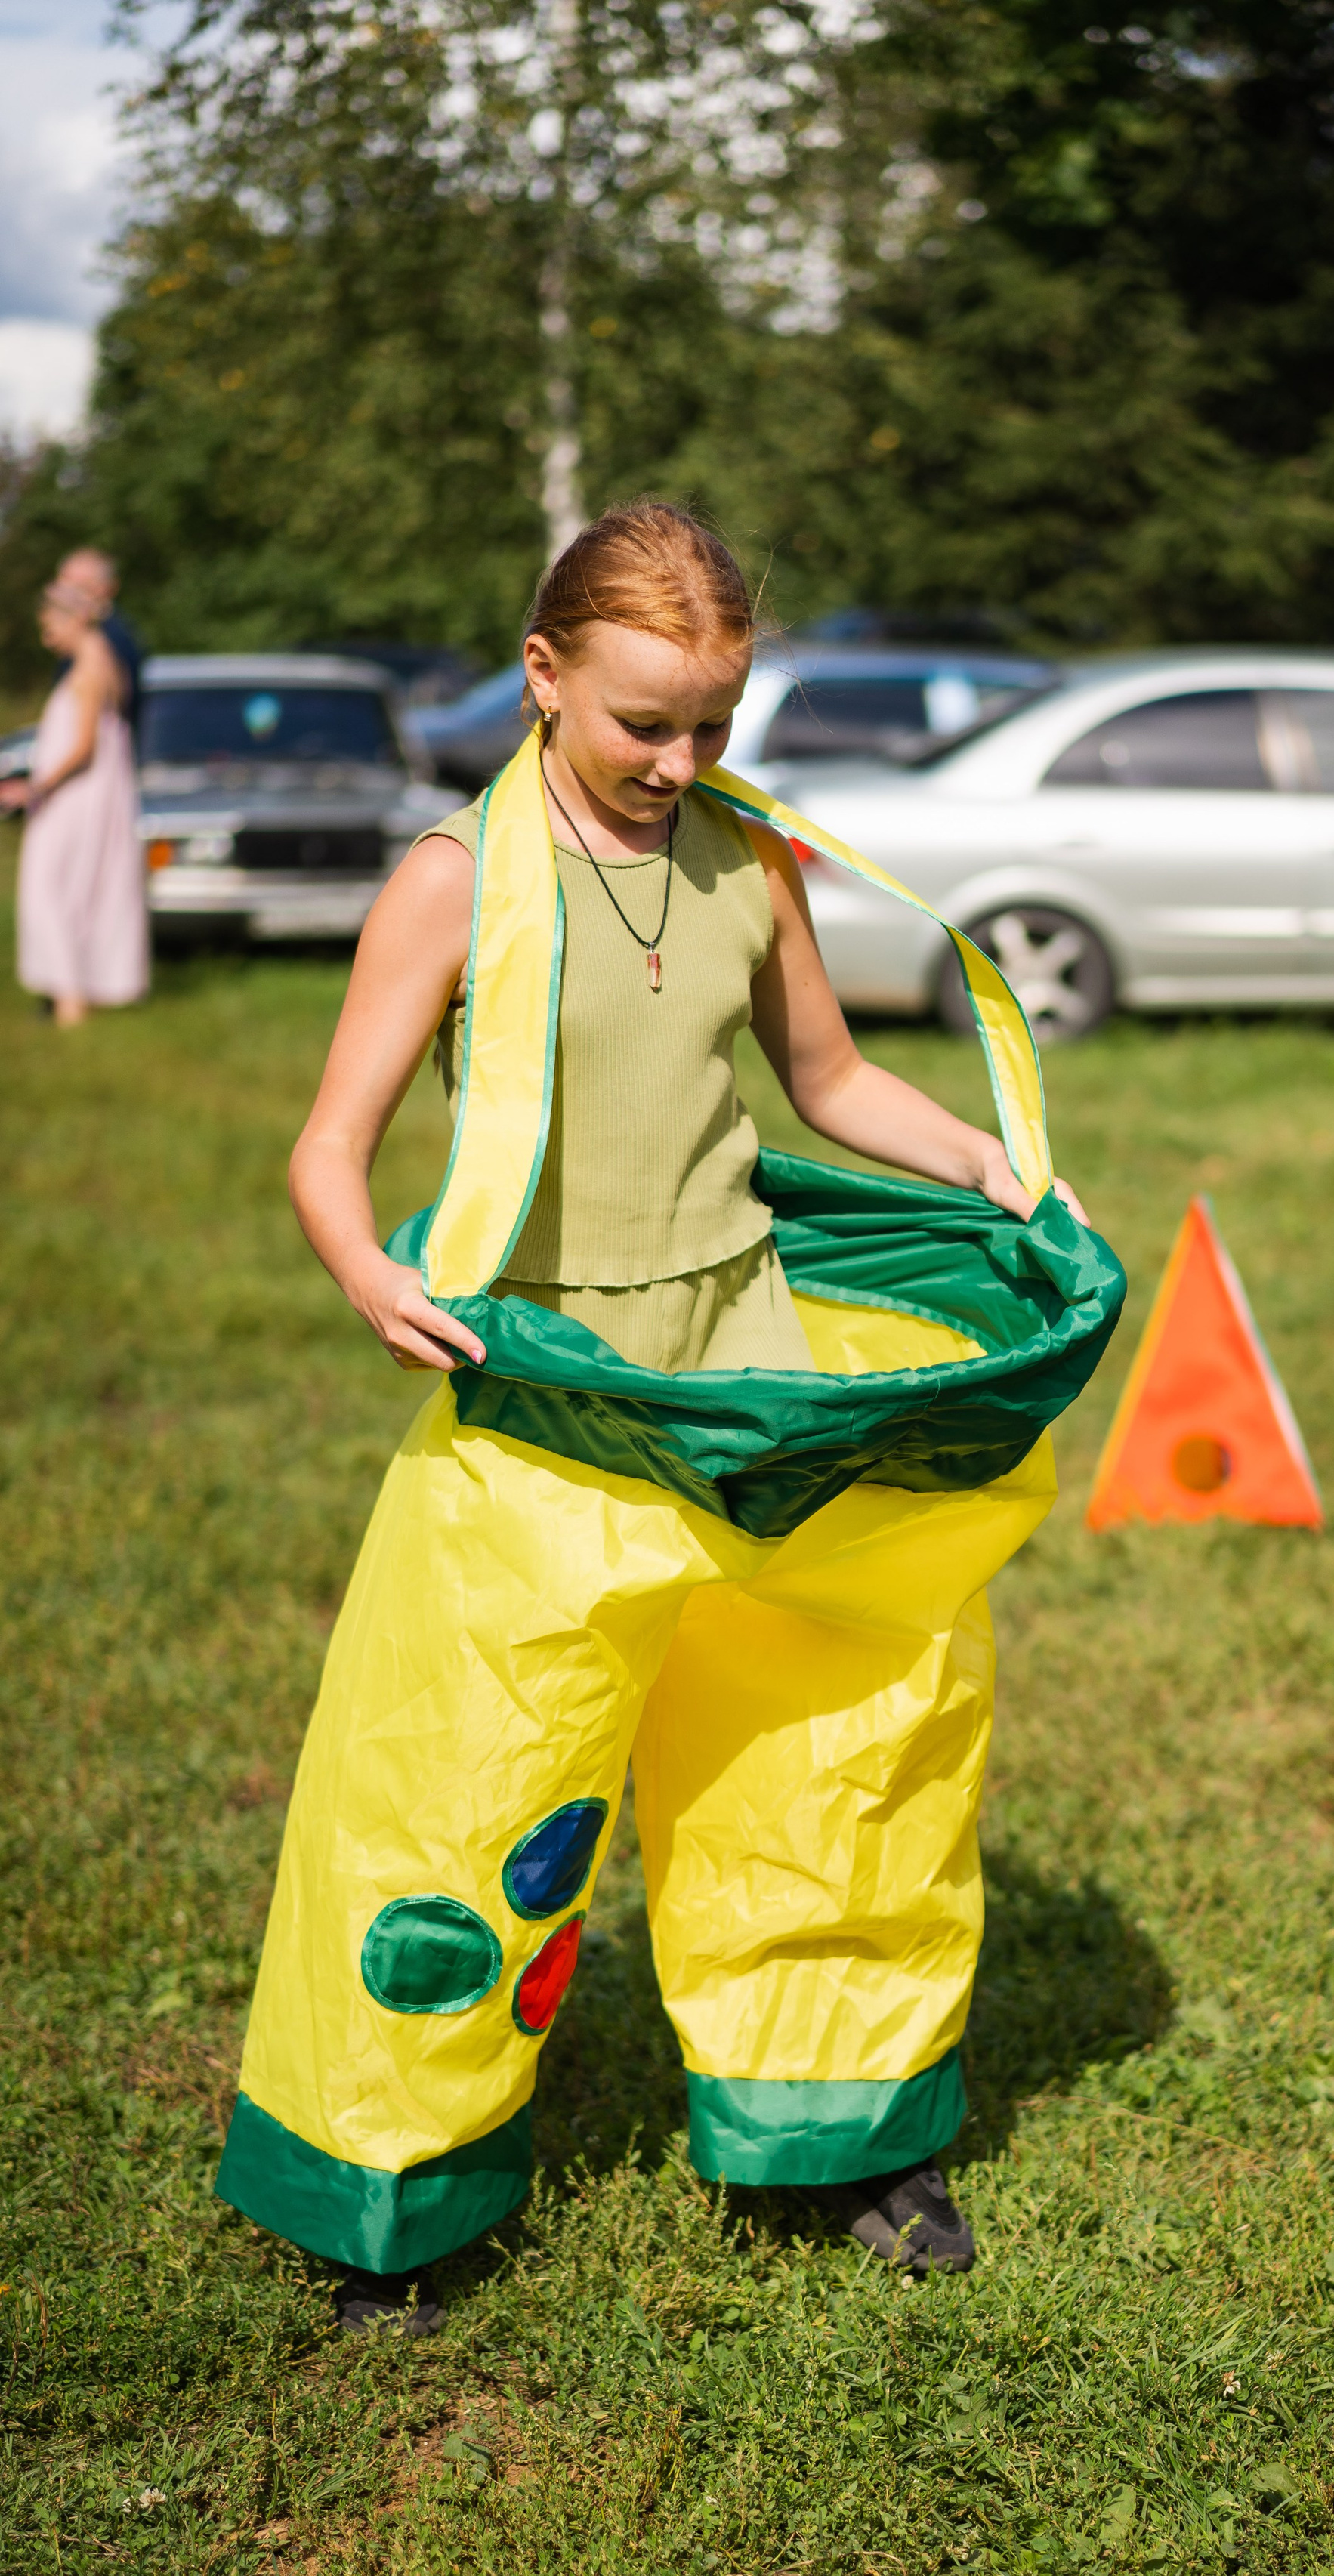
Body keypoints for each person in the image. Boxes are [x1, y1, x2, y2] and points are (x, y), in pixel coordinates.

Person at [212, 499, 1117, 2337]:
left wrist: (1008, 1174)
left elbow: (834, 1079)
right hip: (545, 1399)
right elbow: (329, 1144)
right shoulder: (449, 881)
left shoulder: (742, 858)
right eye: (642, 721)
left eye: (712, 720)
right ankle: (389, 2188)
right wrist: (361, 1270)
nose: (678, 759)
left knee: (821, 1759)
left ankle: (839, 2128)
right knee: (469, 1794)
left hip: (748, 1369)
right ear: (540, 676)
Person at [8, 579, 147, 1026]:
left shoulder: (88, 669)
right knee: (76, 889)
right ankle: (76, 992)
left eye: (51, 627)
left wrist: (36, 788)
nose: (48, 639)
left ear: (75, 621)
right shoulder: (104, 665)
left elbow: (84, 744)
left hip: (74, 800)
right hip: (87, 797)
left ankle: (69, 1002)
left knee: (50, 891)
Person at [55, 547, 144, 725]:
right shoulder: (88, 635)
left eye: (78, 587)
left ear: (105, 588)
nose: (63, 597)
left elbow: (105, 713)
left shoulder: (115, 638)